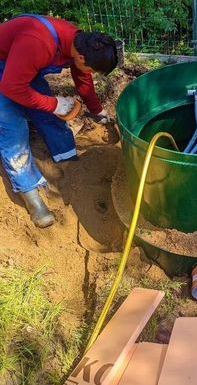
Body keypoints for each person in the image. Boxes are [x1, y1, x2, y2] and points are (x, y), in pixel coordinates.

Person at [0, 14, 118, 228]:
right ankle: (31, 196)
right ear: (82, 58)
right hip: (4, 68)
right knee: (14, 129)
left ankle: (68, 161)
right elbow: (12, 87)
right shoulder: (39, 43)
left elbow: (82, 78)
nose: (90, 73)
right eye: (92, 69)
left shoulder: (78, 44)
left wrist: (97, 110)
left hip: (24, 65)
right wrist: (55, 104)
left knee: (47, 115)